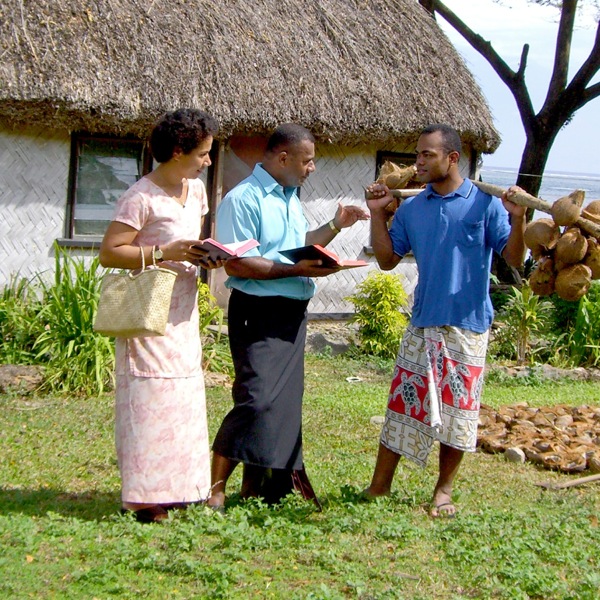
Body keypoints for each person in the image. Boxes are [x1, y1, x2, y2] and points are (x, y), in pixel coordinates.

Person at [363, 123, 526, 517]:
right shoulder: (415, 208)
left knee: (460, 414)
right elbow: (386, 261)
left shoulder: (484, 204)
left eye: (427, 155)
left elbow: (515, 259)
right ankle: (378, 487)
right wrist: (377, 216)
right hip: (422, 323)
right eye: (417, 154)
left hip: (468, 325)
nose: (418, 162)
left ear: (452, 159)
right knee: (403, 405)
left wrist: (518, 219)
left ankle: (443, 493)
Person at [207, 123, 369, 510]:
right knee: (256, 399)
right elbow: (237, 264)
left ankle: (254, 487)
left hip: (292, 312)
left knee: (282, 404)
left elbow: (295, 250)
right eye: (307, 161)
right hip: (257, 311)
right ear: (283, 158)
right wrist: (298, 270)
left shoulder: (290, 197)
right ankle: (214, 488)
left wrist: (334, 226)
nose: (312, 168)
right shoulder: (243, 199)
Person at [99, 109, 222, 523]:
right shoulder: (141, 196)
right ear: (177, 150)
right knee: (150, 399)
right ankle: (145, 499)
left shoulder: (198, 191)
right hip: (149, 313)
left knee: (182, 398)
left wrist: (210, 255)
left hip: (184, 312)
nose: (208, 161)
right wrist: (161, 253)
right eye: (203, 153)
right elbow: (110, 251)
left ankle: (183, 488)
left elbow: (193, 240)